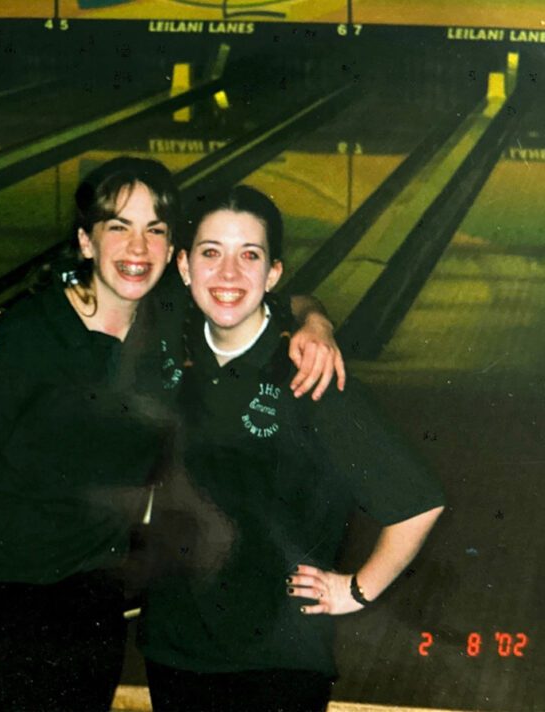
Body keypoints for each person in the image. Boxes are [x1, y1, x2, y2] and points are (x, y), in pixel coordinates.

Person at [0, 157, 342, 710]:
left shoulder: (169, 321)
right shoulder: (26, 332)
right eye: (119, 227)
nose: (138, 248)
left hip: (89, 609)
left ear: (171, 251)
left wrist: (316, 324)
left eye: (154, 230)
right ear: (86, 241)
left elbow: (278, 298)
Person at [138, 185, 445, 712]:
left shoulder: (311, 375)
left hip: (278, 664)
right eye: (211, 253)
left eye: (249, 256)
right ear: (184, 267)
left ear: (273, 273)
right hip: (175, 651)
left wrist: (356, 590)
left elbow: (418, 502)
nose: (229, 274)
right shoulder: (170, 349)